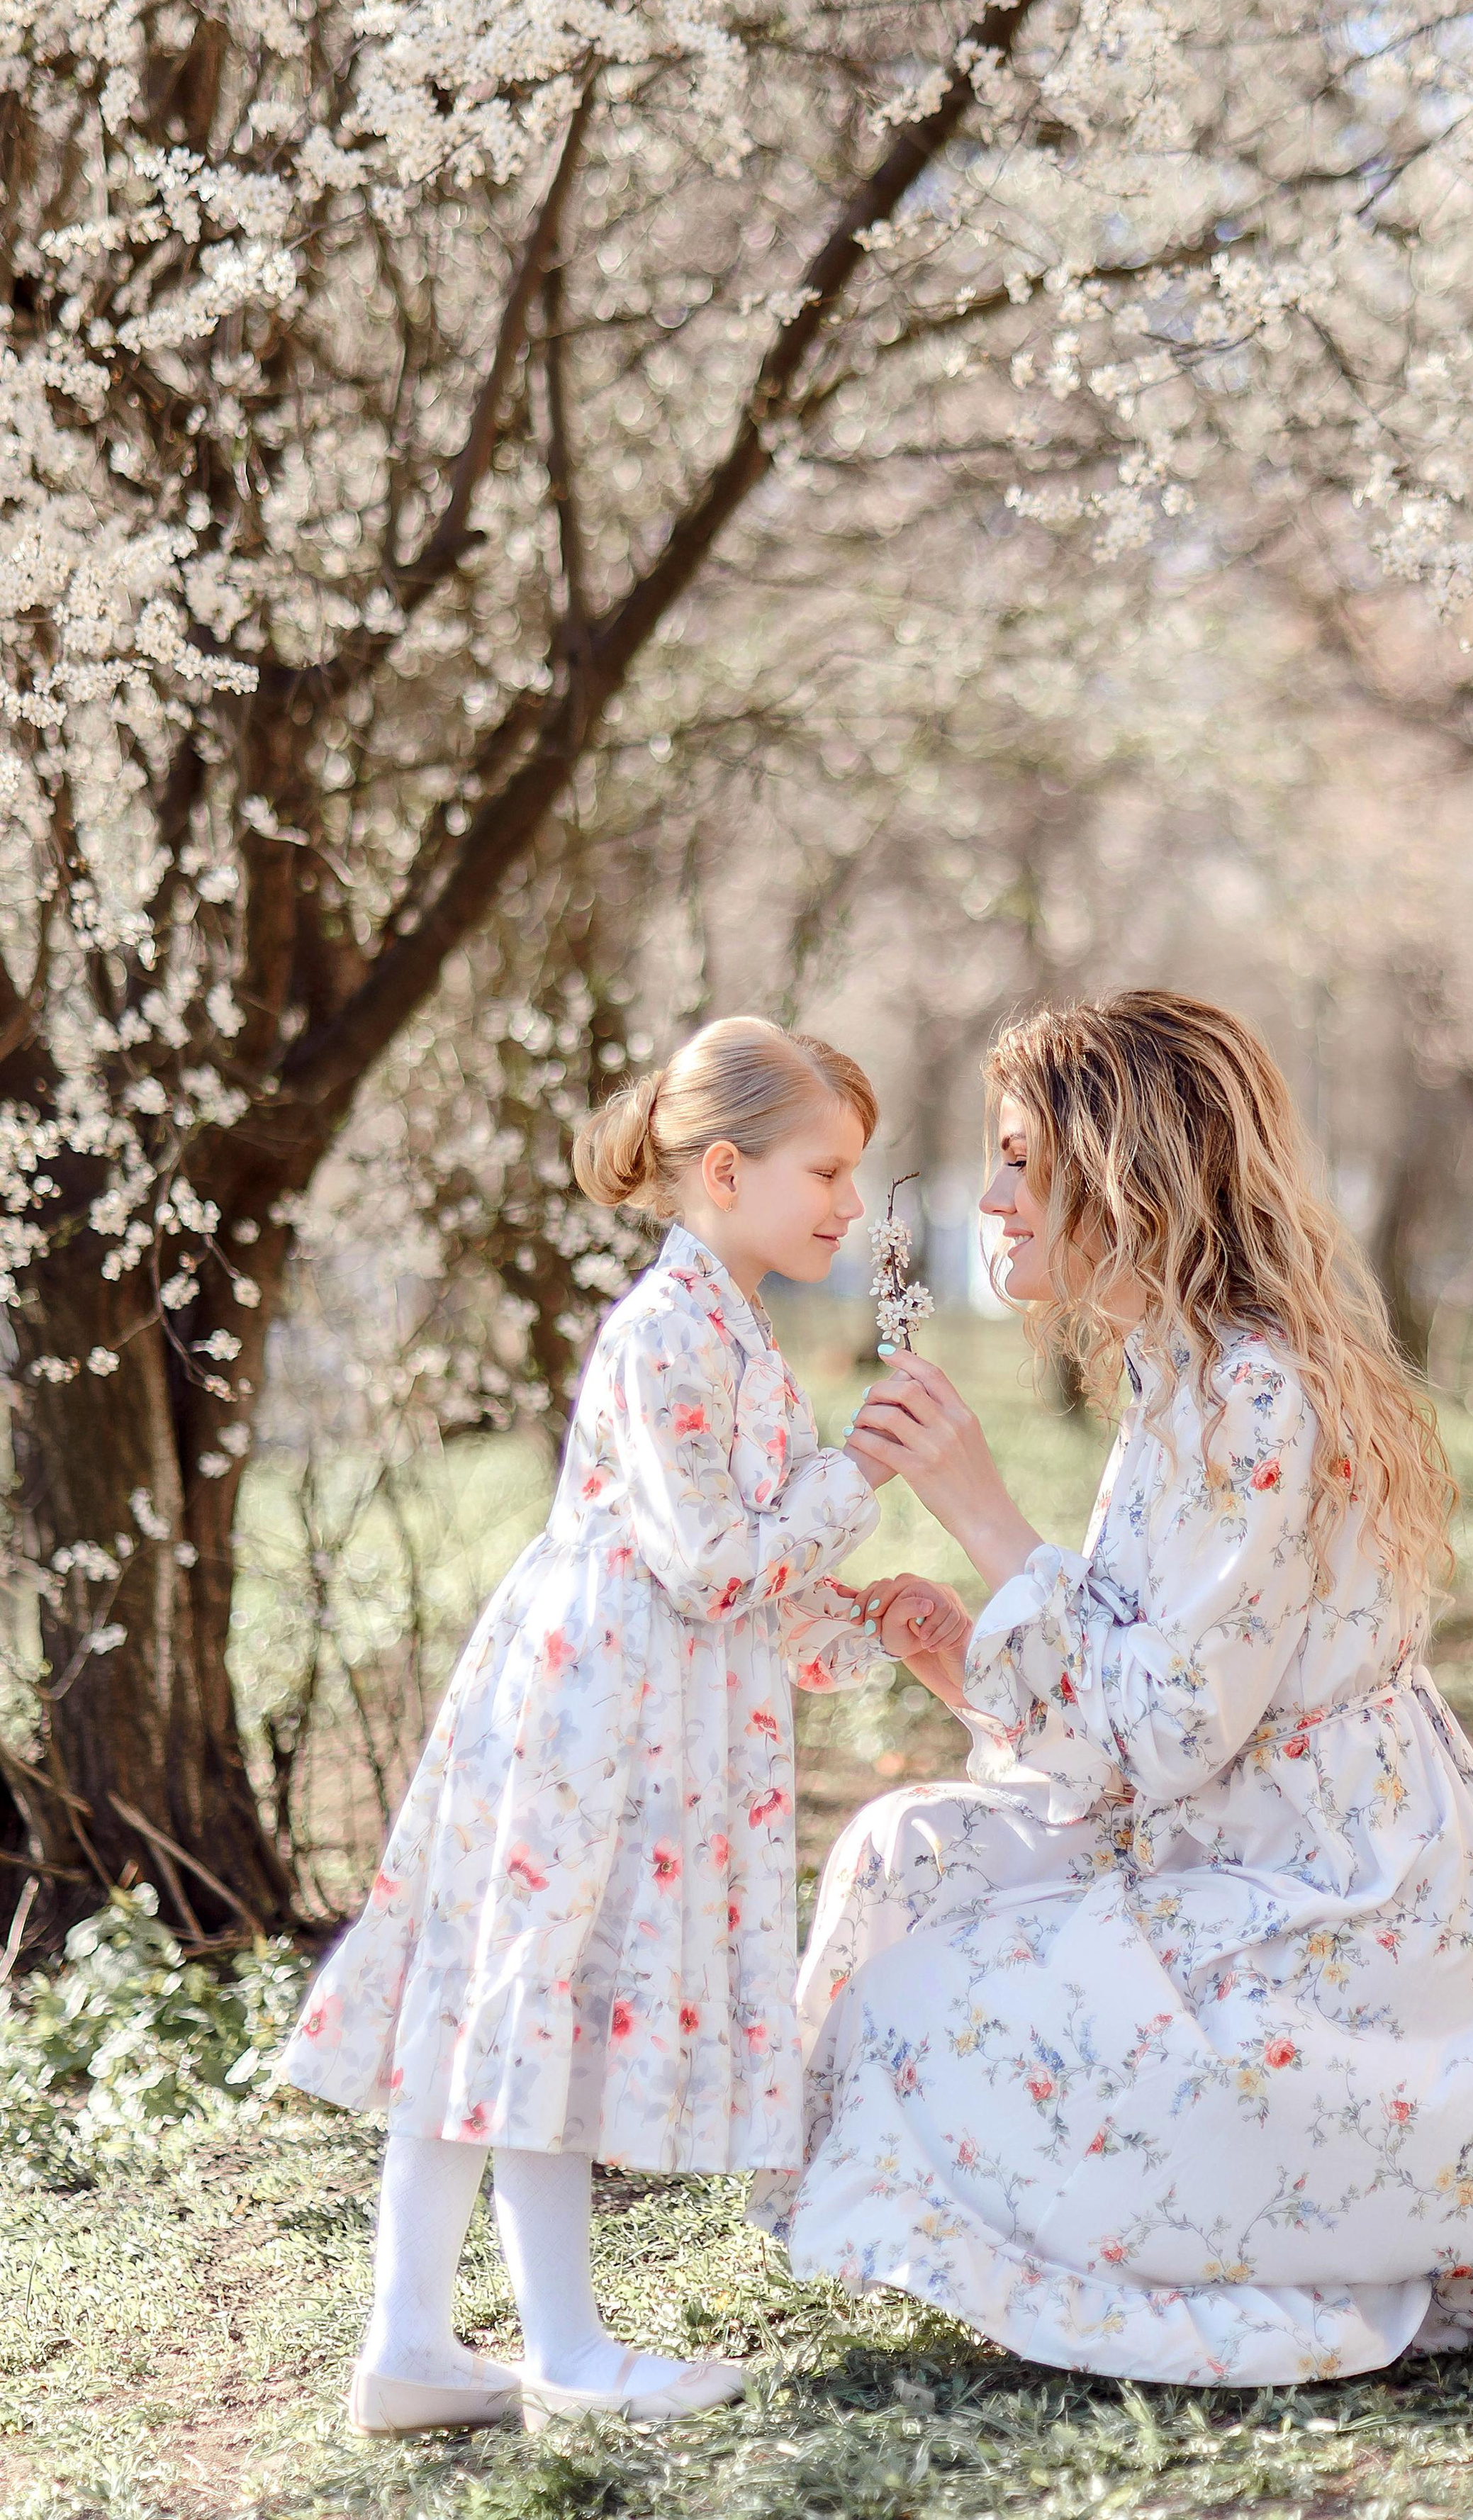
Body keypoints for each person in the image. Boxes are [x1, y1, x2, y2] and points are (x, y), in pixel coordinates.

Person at [755, 991, 1473, 2387]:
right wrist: (959, 1658)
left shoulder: (1258, 1390)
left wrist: (984, 1516)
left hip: (1338, 1898)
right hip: (1218, 1834)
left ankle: (1321, 2216)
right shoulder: (1180, 1372)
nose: (990, 1194)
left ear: (1121, 1172)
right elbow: (1143, 1695)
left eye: (1016, 1157)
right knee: (900, 1857)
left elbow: (1170, 1730)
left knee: (935, 2007)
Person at [281, 1017, 963, 2435]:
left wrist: (862, 1619)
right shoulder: (667, 1329)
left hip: (640, 1697)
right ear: (724, 1170)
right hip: (590, 1715)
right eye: (825, 1170)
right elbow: (711, 1558)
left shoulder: (730, 1326)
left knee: (513, 1994)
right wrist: (852, 1482)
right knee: (529, 1996)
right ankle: (566, 2349)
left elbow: (746, 1586)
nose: (847, 1202)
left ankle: (411, 2342)